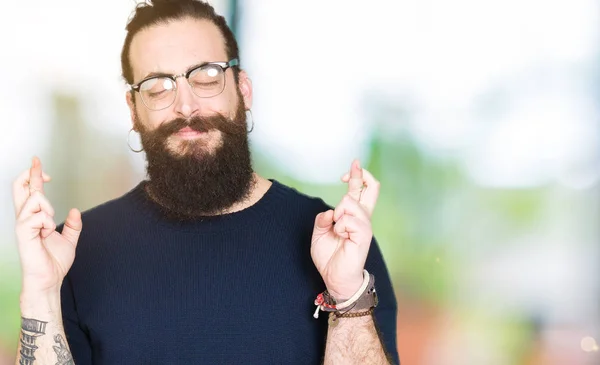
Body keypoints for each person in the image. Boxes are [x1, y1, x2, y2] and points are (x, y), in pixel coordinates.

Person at [12, 0, 399, 364]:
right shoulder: (76, 253)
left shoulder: (337, 243)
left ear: (243, 90)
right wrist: (41, 294)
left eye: (207, 76)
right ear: (133, 110)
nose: (185, 106)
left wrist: (347, 296)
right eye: (157, 87)